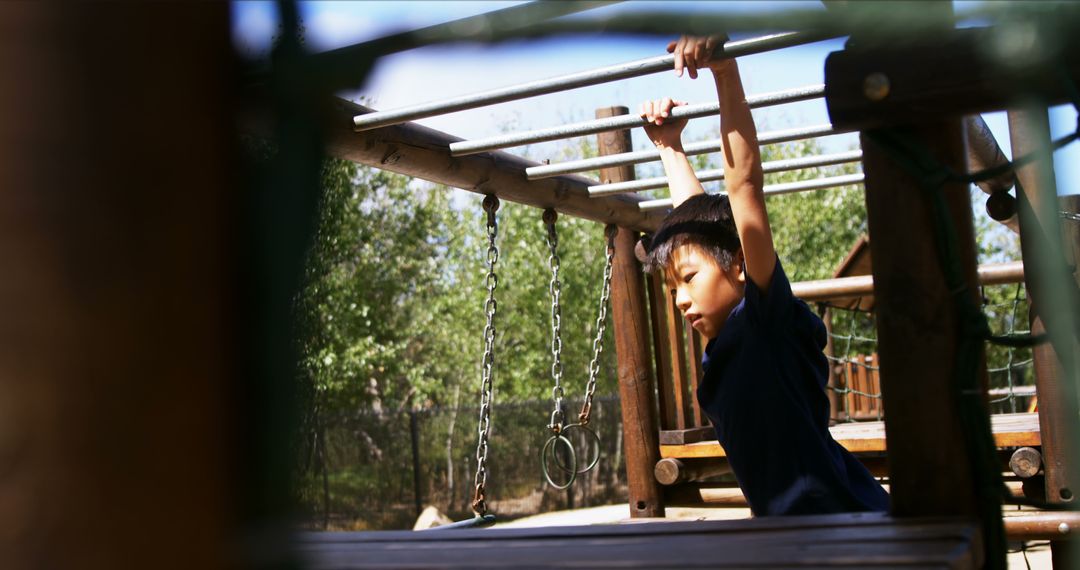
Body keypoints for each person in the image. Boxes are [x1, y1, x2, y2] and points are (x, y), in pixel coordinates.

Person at [640, 36, 889, 516]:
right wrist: (669, 147)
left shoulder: (764, 322)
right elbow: (696, 227)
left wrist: (724, 73)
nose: (680, 299)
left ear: (738, 262)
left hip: (844, 522)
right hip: (795, 533)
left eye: (688, 279)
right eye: (672, 287)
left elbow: (744, 188)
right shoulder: (728, 343)